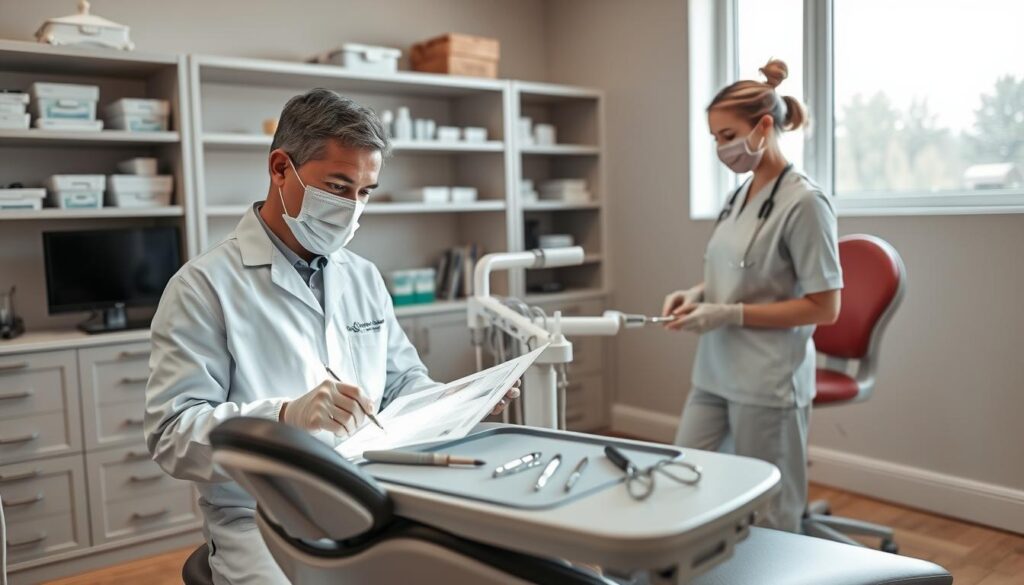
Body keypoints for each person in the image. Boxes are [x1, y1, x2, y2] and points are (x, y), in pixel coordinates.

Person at [145, 89, 519, 585]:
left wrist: (460, 399)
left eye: (365, 192)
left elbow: (402, 381)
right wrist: (283, 418)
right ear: (281, 168)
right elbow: (171, 435)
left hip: (368, 497)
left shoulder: (362, 276)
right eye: (338, 186)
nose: (353, 208)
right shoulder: (203, 286)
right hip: (262, 520)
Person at [661, 59, 843, 533]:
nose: (721, 148)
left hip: (767, 380)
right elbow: (736, 270)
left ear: (764, 127)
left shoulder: (805, 203)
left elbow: (826, 306)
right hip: (715, 370)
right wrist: (695, 294)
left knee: (771, 511)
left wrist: (728, 313)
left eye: (727, 136)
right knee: (684, 478)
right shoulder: (739, 195)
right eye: (715, 139)